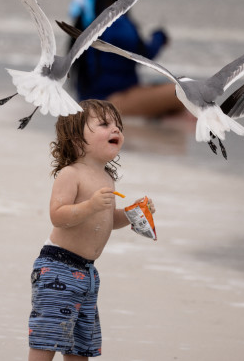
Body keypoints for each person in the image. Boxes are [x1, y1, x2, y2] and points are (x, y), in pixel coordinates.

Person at [28, 99, 156, 360]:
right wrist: (90, 205)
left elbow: (108, 219)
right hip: (59, 268)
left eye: (118, 124)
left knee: (80, 345)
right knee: (47, 339)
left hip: (86, 273)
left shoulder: (107, 177)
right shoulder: (71, 174)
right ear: (76, 139)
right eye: (104, 124)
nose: (116, 129)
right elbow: (58, 216)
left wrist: (133, 214)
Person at [68, 0, 187, 119]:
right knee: (183, 91)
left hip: (89, 100)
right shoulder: (115, 23)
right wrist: (159, 37)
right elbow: (143, 53)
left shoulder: (83, 24)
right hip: (111, 102)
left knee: (162, 88)